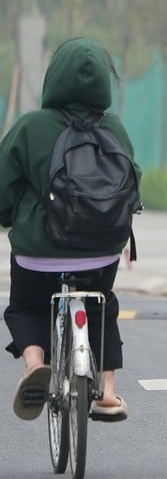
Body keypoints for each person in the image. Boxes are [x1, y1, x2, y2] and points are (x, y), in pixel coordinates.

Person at [2, 38, 140, 422]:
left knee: (26, 306)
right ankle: (108, 393)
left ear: (53, 78)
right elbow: (133, 182)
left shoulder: (30, 126)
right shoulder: (115, 127)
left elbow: (3, 183)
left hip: (38, 254)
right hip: (103, 251)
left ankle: (34, 366)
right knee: (102, 305)